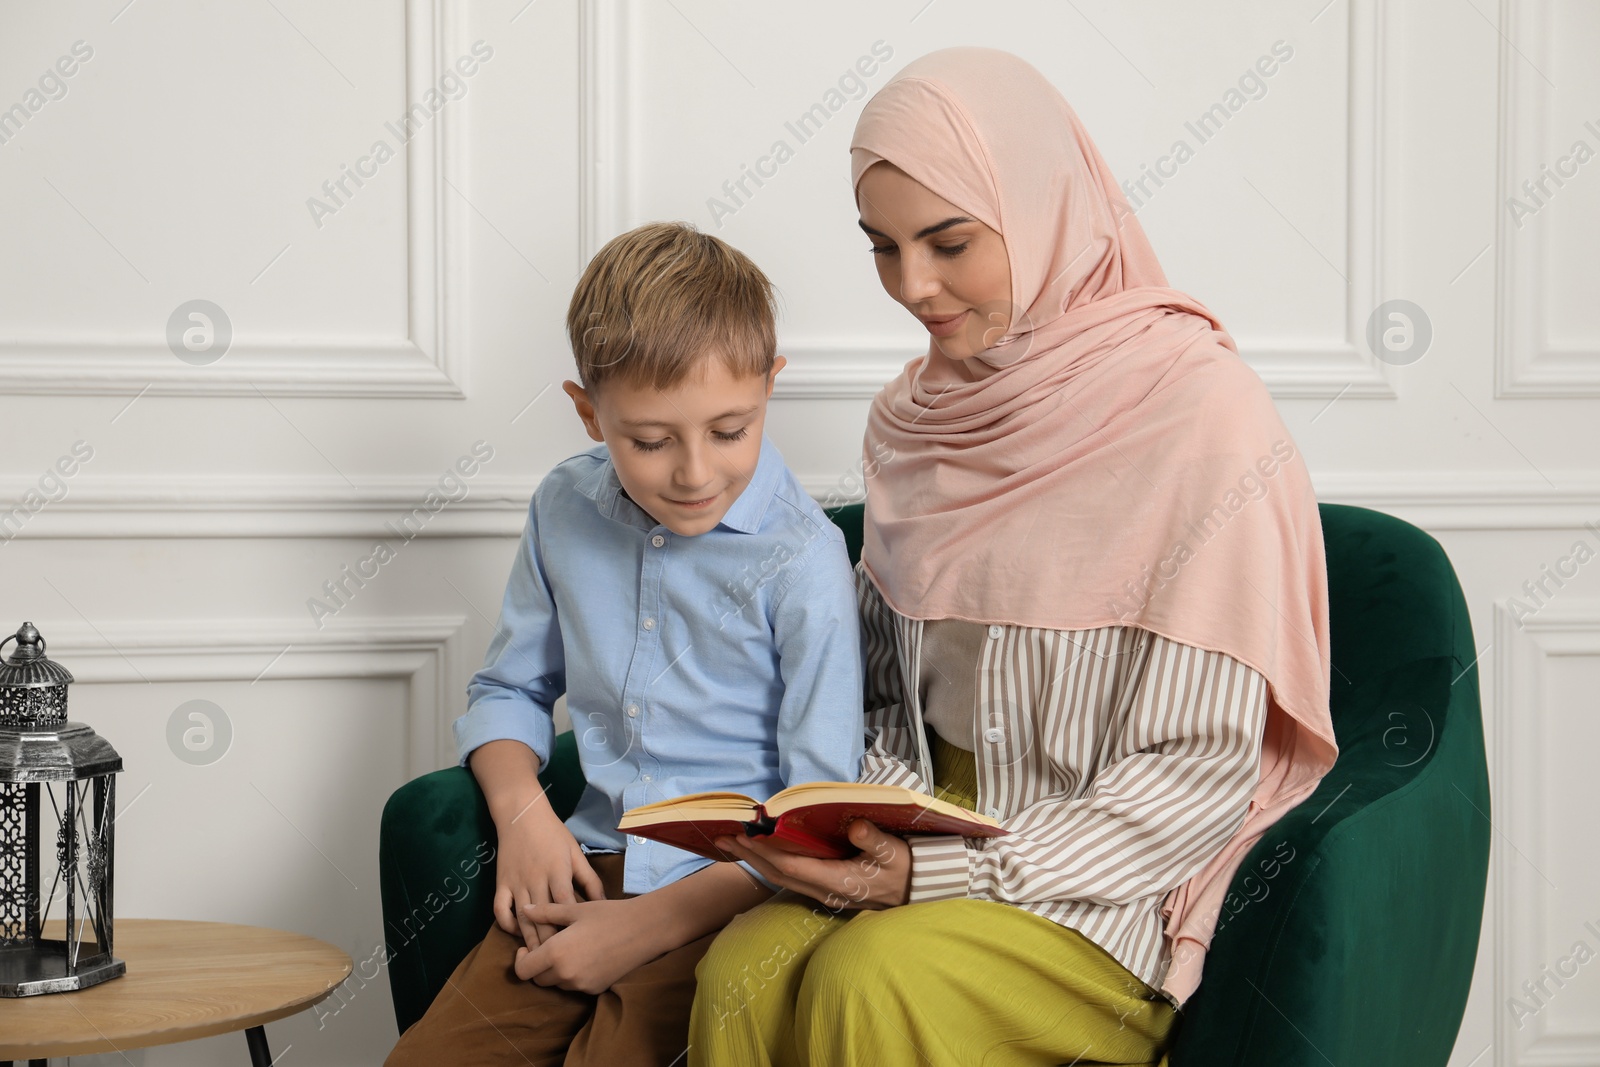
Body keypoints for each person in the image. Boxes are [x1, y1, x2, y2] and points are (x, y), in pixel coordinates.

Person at [688, 47, 1339, 1067]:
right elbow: (885, 707)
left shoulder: (1202, 416)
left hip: (1094, 901)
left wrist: (933, 877)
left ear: (1043, 210)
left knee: (873, 976)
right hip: (914, 855)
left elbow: (1199, 773)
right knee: (741, 969)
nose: (914, 286)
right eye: (882, 247)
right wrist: (854, 831)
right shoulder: (916, 421)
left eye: (948, 241)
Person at [385, 222, 865, 1067]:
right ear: (587, 412)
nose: (694, 472)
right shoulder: (564, 507)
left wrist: (644, 927)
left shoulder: (804, 557)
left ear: (770, 388)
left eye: (730, 429)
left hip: (729, 898)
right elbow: (508, 690)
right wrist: (525, 816)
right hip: (584, 867)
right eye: (648, 440)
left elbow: (815, 810)